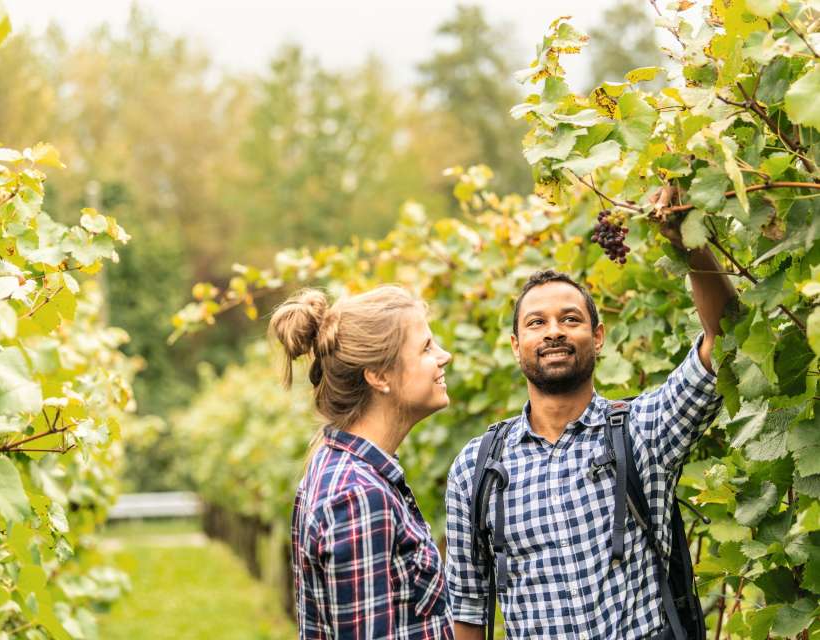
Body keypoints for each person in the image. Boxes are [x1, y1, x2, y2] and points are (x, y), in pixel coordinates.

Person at [445, 237, 737, 639]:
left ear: (598, 337)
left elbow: (723, 338)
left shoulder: (643, 430)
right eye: (536, 323)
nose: (553, 333)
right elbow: (468, 608)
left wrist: (689, 241)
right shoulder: (477, 468)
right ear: (516, 346)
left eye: (570, 319)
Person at [270, 285, 455, 640]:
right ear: (379, 375)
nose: (444, 356)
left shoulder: (348, 472)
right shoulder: (359, 497)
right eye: (426, 348)